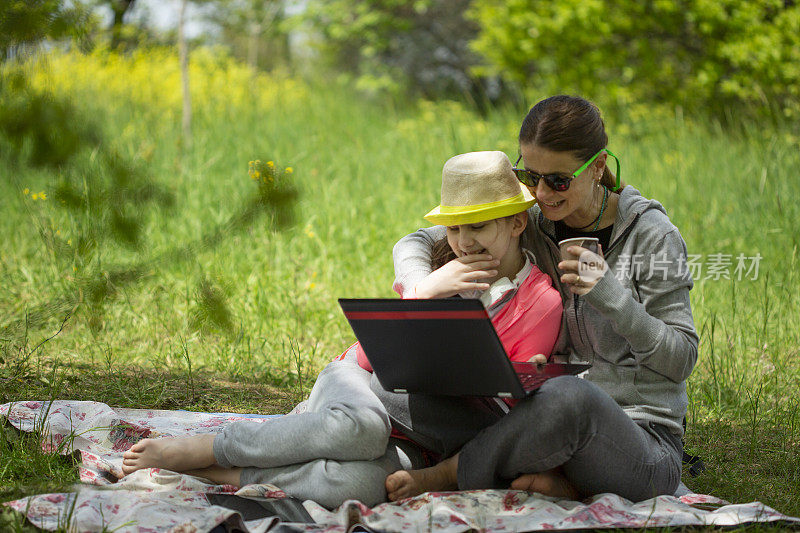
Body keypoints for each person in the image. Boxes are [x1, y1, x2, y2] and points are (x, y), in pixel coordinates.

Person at [120, 150, 562, 508]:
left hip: (425, 430)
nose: (464, 242)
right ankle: (208, 449)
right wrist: (426, 293)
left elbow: (504, 412)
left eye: (478, 227)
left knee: (362, 487)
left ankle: (220, 473)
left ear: (517, 222)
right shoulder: (436, 273)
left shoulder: (540, 303)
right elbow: (372, 357)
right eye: (454, 228)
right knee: (363, 429)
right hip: (360, 383)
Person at [383, 95, 698, 503]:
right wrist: (421, 287)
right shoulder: (531, 220)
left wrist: (613, 298)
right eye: (530, 176)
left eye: (558, 180)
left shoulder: (652, 236)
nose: (543, 193)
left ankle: (451, 471)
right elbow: (416, 241)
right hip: (533, 418)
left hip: (641, 440)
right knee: (396, 382)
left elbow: (681, 358)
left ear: (598, 166)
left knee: (572, 399)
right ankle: (557, 481)